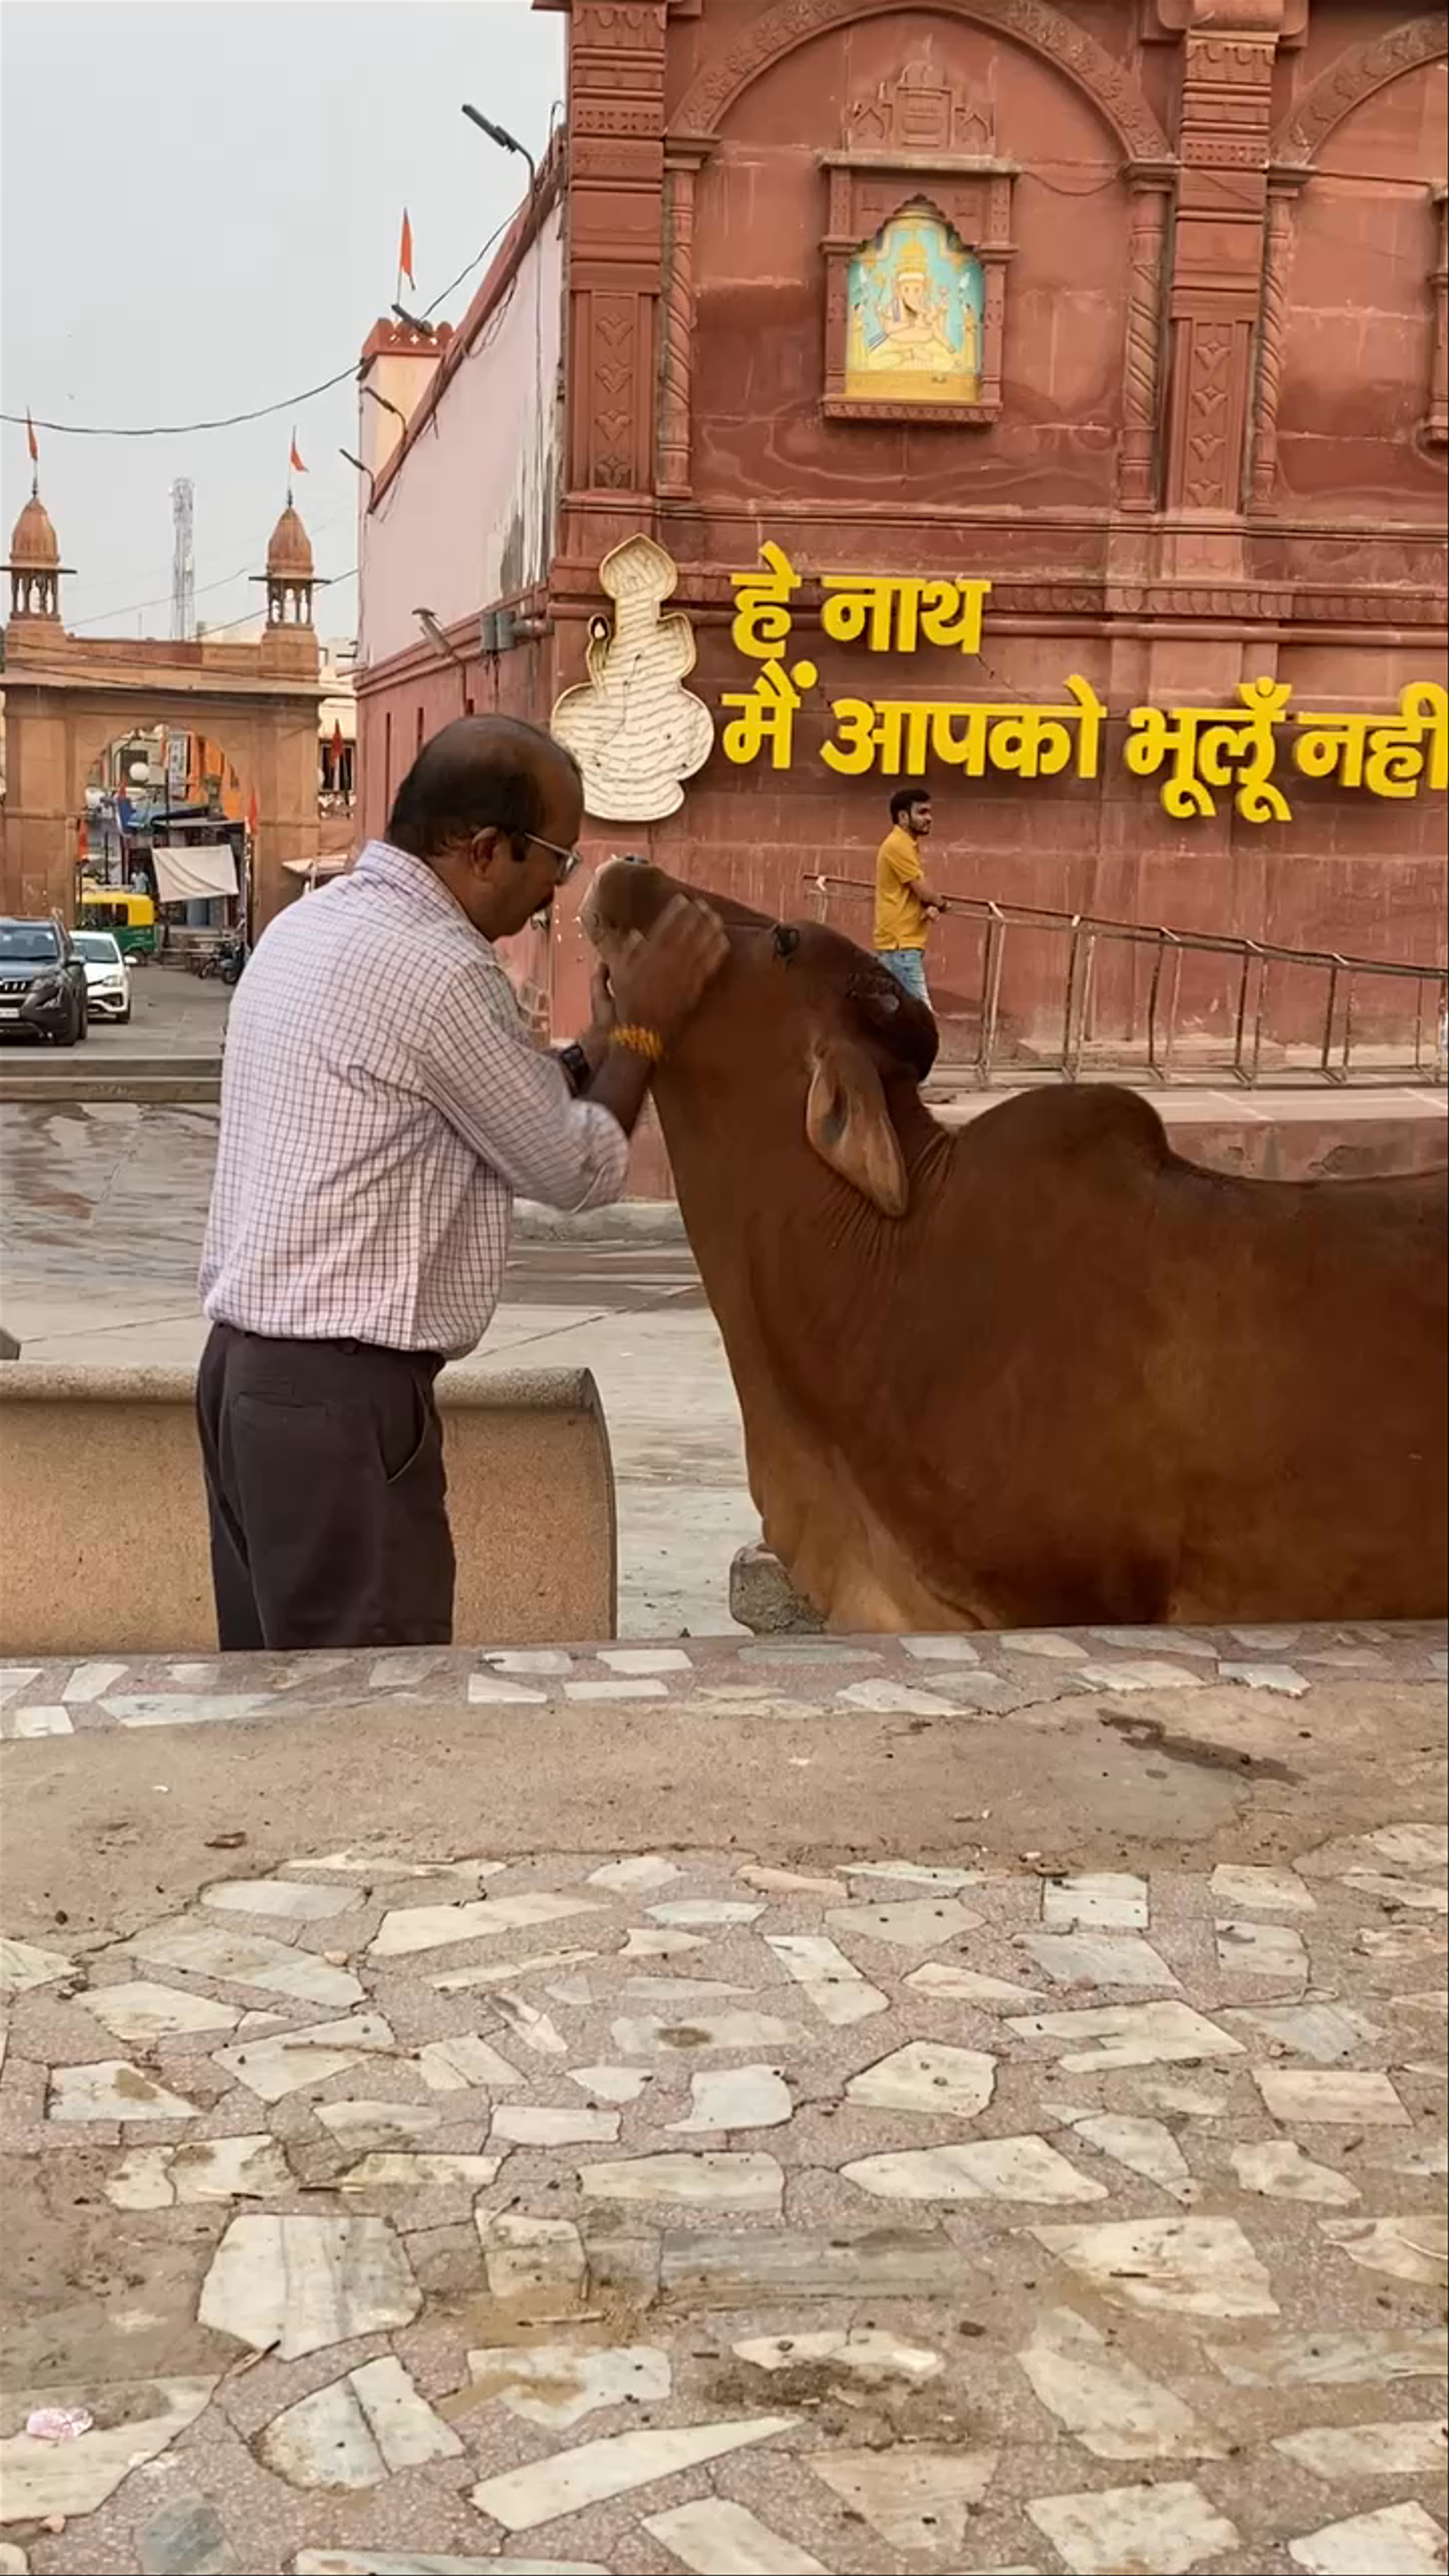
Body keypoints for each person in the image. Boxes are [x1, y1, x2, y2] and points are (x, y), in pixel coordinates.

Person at [197, 712, 727, 1653]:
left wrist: (590, 1053)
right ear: (487, 849)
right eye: (555, 862)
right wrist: (647, 1030)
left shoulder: (310, 925)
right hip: (337, 1403)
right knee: (372, 1710)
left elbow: (480, 1099)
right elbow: (575, 1166)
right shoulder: (441, 967)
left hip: (249, 1382)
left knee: (283, 1702)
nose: (553, 896)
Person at [874, 786, 944, 1006]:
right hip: (900, 947)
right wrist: (941, 903)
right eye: (922, 813)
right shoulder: (898, 845)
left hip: (900, 946)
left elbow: (914, 893)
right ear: (903, 817)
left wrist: (928, 905)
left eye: (929, 813)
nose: (929, 819)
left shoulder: (906, 845)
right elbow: (922, 890)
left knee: (898, 1018)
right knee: (923, 1019)